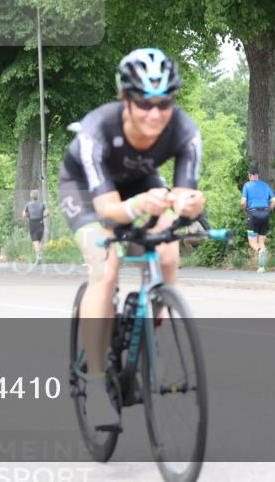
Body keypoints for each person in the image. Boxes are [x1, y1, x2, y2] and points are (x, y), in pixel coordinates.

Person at [58, 47, 205, 429]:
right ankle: (93, 382)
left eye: (164, 103)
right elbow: (107, 210)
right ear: (126, 99)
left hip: (140, 182)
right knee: (106, 269)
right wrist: (140, 204)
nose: (155, 114)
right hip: (86, 192)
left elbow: (184, 195)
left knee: (168, 254)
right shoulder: (98, 129)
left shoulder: (185, 130)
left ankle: (147, 328)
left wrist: (189, 203)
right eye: (144, 104)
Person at [240, 167, 275, 273]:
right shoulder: (265, 185)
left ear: (250, 175)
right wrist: (268, 210)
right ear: (258, 175)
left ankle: (259, 251)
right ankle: (262, 267)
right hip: (265, 213)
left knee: (252, 242)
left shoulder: (247, 185)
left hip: (253, 213)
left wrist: (245, 210)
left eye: (249, 175)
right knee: (261, 241)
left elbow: (243, 203)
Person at [22, 190, 50, 264]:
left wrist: (28, 216)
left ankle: (38, 256)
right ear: (38, 196)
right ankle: (39, 255)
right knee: (39, 240)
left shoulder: (28, 205)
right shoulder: (42, 204)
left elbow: (24, 215)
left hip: (33, 223)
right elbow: (47, 213)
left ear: (31, 196)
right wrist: (43, 216)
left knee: (35, 241)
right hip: (41, 223)